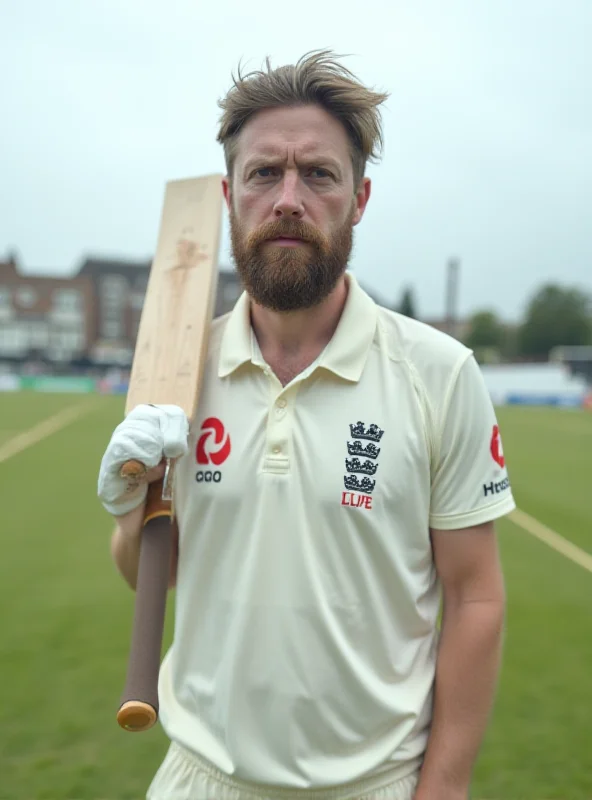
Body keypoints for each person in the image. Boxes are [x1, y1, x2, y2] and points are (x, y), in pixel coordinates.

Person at [98, 50, 515, 800]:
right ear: (230, 196)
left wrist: (445, 787)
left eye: (318, 174)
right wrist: (132, 518)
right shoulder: (175, 370)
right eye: (265, 174)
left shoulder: (440, 372)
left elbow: (476, 593)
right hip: (200, 776)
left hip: (374, 783)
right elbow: (153, 578)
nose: (288, 198)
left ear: (359, 199)